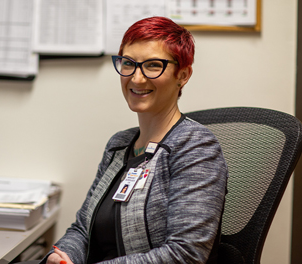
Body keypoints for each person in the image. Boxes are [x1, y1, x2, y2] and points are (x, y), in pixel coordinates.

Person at [40, 16, 228, 264]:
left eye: (153, 65)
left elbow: (186, 254)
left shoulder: (196, 147)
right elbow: (82, 229)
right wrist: (61, 256)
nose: (136, 78)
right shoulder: (119, 145)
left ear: (182, 74)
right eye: (128, 63)